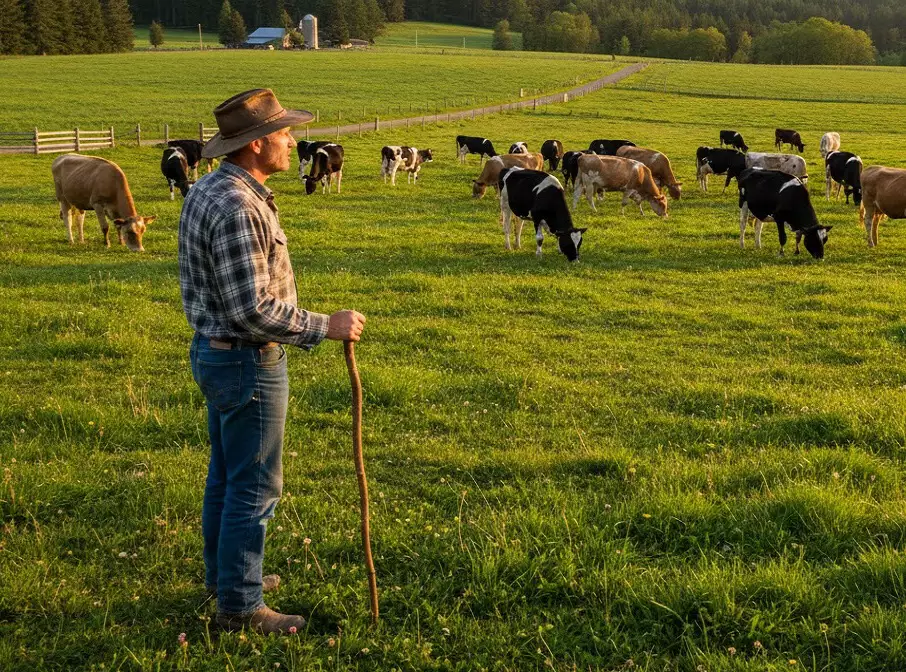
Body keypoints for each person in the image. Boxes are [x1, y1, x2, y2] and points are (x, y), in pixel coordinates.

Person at [178, 89, 366, 634]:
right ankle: (239, 605)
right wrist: (322, 326)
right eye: (284, 133)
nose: (292, 141)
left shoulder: (212, 188)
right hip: (245, 360)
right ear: (258, 145)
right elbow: (251, 309)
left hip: (215, 353)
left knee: (228, 475)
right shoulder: (238, 205)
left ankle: (227, 575)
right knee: (255, 485)